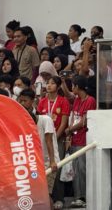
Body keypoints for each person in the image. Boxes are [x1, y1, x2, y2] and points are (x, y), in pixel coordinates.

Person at [17, 89, 59, 199]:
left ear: (32, 101)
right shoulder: (21, 119)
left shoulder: (46, 119)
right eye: (20, 101)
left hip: (48, 163)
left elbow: (49, 141)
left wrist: (52, 161)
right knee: (37, 194)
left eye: (25, 101)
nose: (22, 103)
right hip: (34, 164)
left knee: (45, 194)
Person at [37, 75, 70, 209]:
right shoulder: (42, 102)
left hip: (58, 139)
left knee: (57, 168)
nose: (49, 85)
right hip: (43, 141)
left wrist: (54, 138)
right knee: (44, 170)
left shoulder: (63, 101)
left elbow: (63, 123)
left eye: (52, 83)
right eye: (47, 83)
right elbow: (38, 121)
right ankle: (46, 198)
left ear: (58, 86)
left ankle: (59, 198)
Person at [65, 75, 96, 208]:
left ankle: (84, 197)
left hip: (83, 140)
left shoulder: (90, 100)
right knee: (76, 170)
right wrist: (70, 136)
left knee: (82, 169)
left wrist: (69, 130)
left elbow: (84, 121)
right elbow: (74, 117)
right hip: (75, 139)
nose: (72, 88)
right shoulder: (77, 99)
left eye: (73, 86)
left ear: (77, 87)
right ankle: (78, 197)